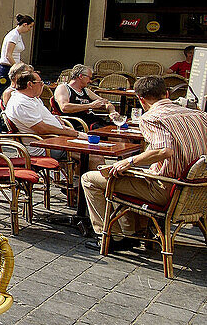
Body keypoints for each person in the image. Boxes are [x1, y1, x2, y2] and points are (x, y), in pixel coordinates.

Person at [81, 75, 207, 249]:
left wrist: (130, 162)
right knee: (124, 177)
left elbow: (164, 150)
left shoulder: (152, 117)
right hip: (197, 191)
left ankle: (111, 238)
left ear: (140, 99)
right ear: (167, 93)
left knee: (90, 179)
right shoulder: (199, 116)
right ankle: (133, 232)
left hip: (168, 191)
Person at [3, 71, 84, 159]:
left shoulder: (31, 98)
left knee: (89, 144)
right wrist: (70, 133)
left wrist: (57, 119)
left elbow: (43, 119)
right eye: (40, 82)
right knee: (91, 154)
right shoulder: (21, 103)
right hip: (43, 146)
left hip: (52, 140)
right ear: (30, 84)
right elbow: (42, 129)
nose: (43, 85)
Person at [0, 14, 35, 118]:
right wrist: (18, 68)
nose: (30, 29)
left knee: (9, 96)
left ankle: (4, 120)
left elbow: (15, 55)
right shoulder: (14, 35)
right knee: (1, 96)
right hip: (5, 69)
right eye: (30, 27)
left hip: (10, 68)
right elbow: (8, 55)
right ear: (25, 24)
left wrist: (24, 65)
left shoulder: (17, 35)